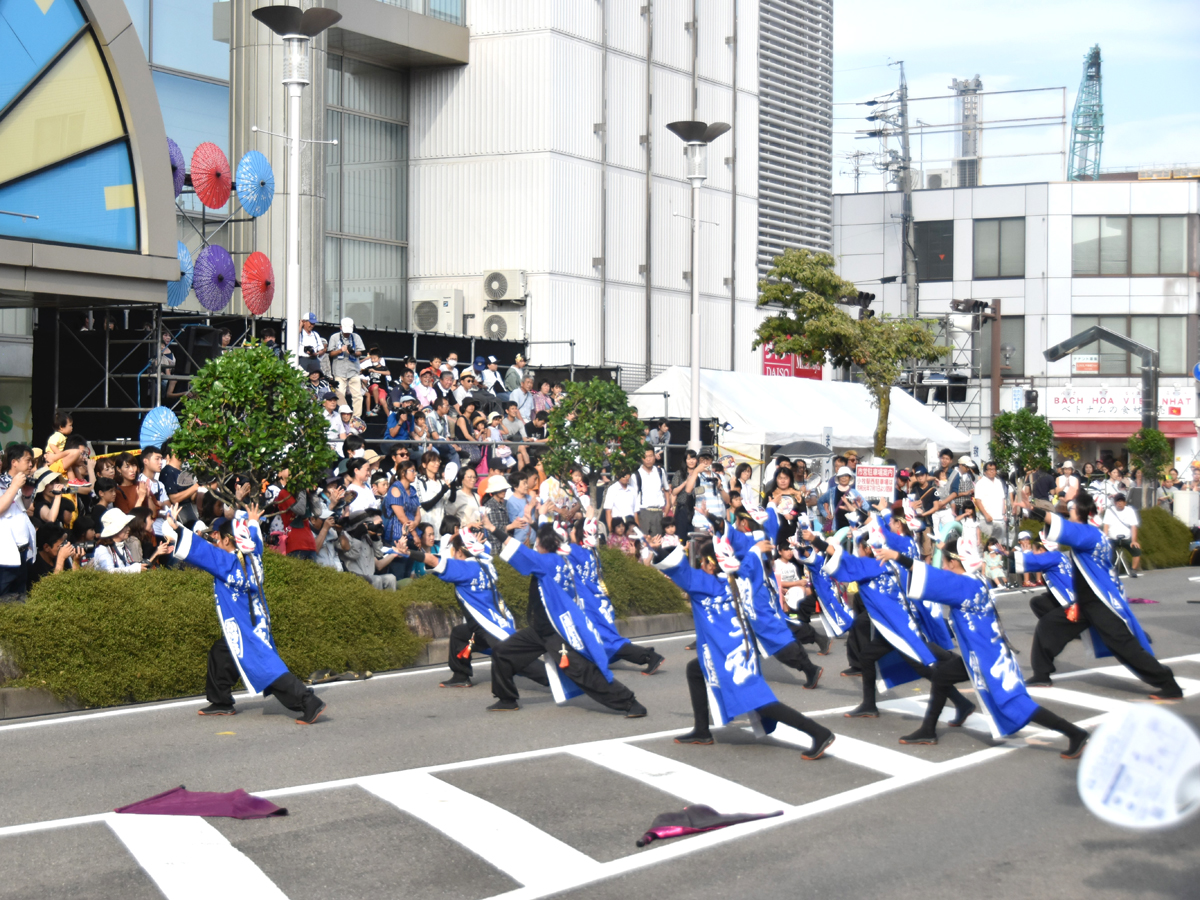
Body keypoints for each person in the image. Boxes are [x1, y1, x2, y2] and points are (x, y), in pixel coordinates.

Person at [873, 540, 1090, 758]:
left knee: (1016, 703)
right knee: (941, 676)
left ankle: (1075, 733)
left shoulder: (962, 585)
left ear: (954, 562)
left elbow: (930, 576)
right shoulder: (977, 579)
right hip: (983, 651)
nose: (943, 567)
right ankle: (930, 729)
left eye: (945, 562)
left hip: (987, 657)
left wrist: (897, 556)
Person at [651, 537, 835, 757]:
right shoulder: (738, 578)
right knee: (695, 669)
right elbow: (749, 563)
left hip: (727, 654)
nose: (700, 565)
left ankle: (818, 732)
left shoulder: (701, 584)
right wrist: (755, 549)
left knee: (760, 702)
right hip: (738, 646)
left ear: (711, 564)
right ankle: (701, 730)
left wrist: (658, 550)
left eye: (702, 561)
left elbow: (677, 567)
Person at [166, 504, 327, 723]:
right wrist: (252, 521)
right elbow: (255, 538)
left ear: (226, 540)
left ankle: (309, 702)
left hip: (244, 625)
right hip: (256, 620)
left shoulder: (226, 562)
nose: (216, 543)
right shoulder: (254, 556)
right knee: (221, 652)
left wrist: (177, 527)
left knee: (266, 667)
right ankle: (221, 701)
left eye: (220, 539)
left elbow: (199, 549)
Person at [1025, 496, 1182, 700]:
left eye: (1071, 511)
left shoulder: (1089, 534)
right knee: (1048, 625)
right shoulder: (1093, 533)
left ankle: (1169, 684)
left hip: (1100, 603)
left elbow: (1064, 529)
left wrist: (1034, 510)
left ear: (1081, 513)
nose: (1069, 514)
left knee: (1124, 646)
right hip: (1085, 603)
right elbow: (1066, 529)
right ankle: (1041, 674)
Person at [491, 526, 647, 715]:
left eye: (537, 542)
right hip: (539, 630)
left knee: (582, 671)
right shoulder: (560, 559)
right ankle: (507, 699)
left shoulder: (548, 562)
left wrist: (493, 529)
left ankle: (629, 702)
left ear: (544, 544)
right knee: (502, 652)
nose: (535, 545)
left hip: (556, 631)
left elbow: (520, 551)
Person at [569, 519, 665, 673]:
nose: (571, 532)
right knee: (603, 637)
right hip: (598, 600)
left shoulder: (575, 552)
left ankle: (648, 656)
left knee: (608, 640)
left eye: (574, 529)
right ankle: (634, 653)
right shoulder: (592, 552)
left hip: (589, 603)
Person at [94, 508, 165, 572]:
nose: (128, 528)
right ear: (116, 530)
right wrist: (135, 569)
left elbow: (135, 567)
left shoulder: (124, 546)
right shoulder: (103, 549)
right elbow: (109, 572)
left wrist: (156, 554)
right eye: (125, 526)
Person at [327, 317, 366, 417]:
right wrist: (340, 350)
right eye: (346, 331)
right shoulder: (334, 337)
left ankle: (356, 418)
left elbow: (360, 352)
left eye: (349, 331)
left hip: (354, 370)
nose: (347, 333)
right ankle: (342, 417)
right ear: (341, 327)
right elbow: (330, 354)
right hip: (339, 370)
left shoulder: (356, 337)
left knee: (358, 396)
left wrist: (353, 352)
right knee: (340, 395)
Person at [633, 447, 669, 536]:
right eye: (645, 456)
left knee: (658, 540)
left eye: (651, 456)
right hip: (643, 512)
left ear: (654, 456)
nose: (648, 459)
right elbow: (633, 497)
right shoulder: (636, 474)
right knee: (644, 541)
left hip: (658, 511)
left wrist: (668, 505)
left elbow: (666, 489)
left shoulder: (660, 472)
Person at [1103, 492, 1141, 574]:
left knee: (1136, 550)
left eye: (1121, 501)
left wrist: (1134, 541)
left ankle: (1133, 569)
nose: (1119, 503)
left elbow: (1133, 527)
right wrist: (1105, 538)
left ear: (1125, 502)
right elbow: (1106, 525)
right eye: (1118, 501)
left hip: (1126, 538)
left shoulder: (1130, 511)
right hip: (1112, 538)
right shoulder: (1109, 511)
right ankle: (1112, 569)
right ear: (1115, 503)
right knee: (1109, 551)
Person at [973, 460, 1008, 546]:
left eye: (994, 469)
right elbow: (978, 501)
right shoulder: (981, 483)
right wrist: (986, 515)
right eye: (990, 469)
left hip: (999, 519)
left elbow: (1003, 499)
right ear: (985, 472)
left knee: (999, 545)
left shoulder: (999, 482)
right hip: (987, 519)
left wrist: (1004, 514)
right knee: (986, 544)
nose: (992, 471)